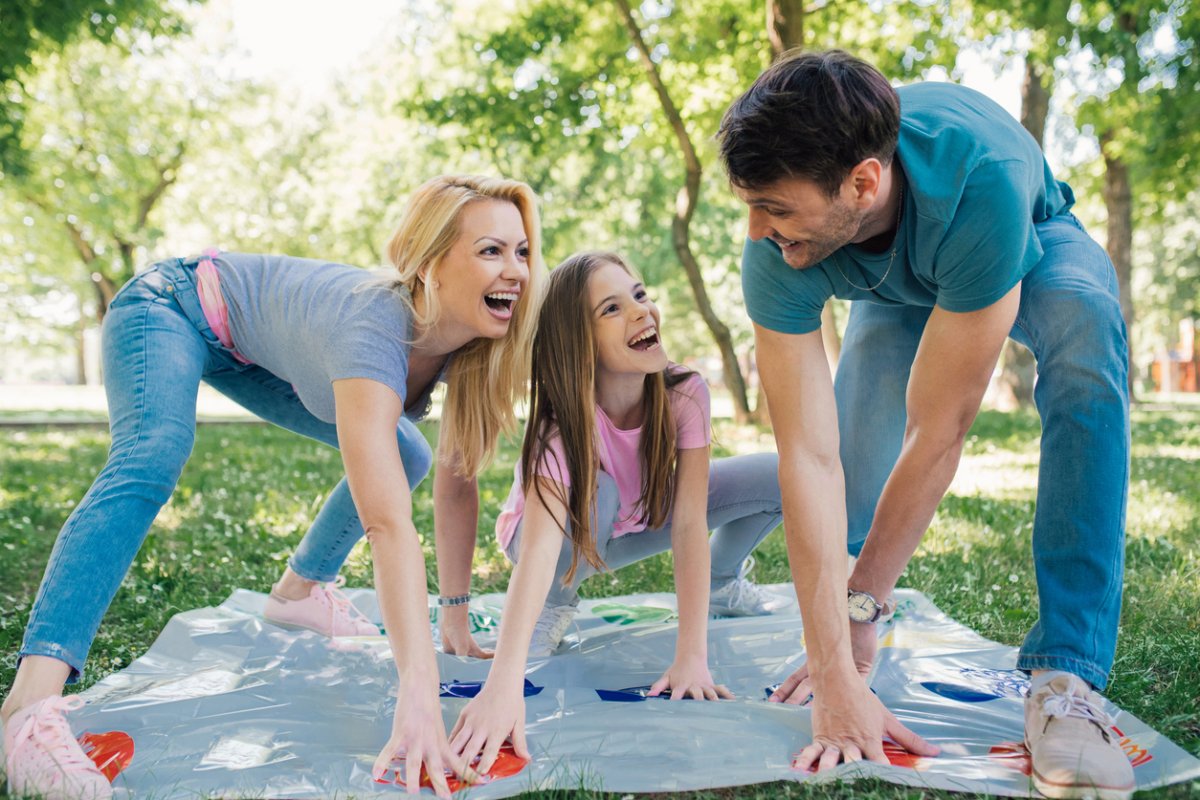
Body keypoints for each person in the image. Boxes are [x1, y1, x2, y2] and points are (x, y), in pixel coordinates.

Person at [1, 174, 544, 800]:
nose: (516, 271)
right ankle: (27, 709)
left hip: (250, 350)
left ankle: (296, 595)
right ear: (429, 265)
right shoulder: (372, 330)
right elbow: (388, 525)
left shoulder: (467, 347)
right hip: (170, 303)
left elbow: (457, 484)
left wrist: (452, 618)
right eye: (490, 251)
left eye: (522, 251)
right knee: (153, 454)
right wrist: (417, 697)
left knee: (407, 450)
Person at [716, 49, 1133, 799]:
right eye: (749, 204)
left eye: (774, 208)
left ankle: (1066, 673)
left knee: (1084, 333)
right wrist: (835, 663)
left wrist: (867, 601)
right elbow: (808, 459)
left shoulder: (982, 188)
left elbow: (938, 434)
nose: (754, 232)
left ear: (863, 182)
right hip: (882, 263)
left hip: (1014, 234)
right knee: (857, 428)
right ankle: (844, 638)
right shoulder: (775, 246)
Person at [444, 251, 786, 772]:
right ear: (578, 343)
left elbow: (690, 520)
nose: (641, 312)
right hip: (549, 544)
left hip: (631, 520)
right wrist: (502, 685)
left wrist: (691, 655)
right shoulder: (556, 432)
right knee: (598, 491)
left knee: (777, 475)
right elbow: (536, 551)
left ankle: (721, 580)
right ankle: (555, 606)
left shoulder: (685, 392)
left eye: (640, 295)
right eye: (612, 308)